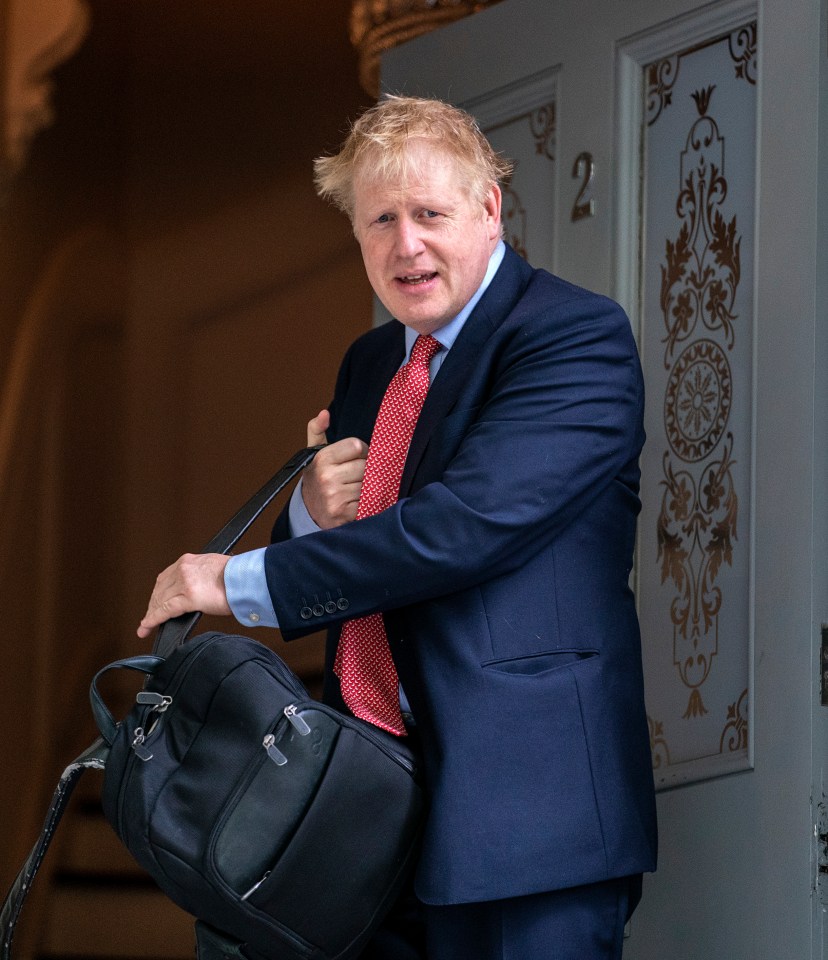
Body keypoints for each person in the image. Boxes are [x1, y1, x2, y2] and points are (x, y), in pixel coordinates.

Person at [138, 95, 657, 960]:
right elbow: (351, 557)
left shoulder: (575, 338)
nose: (405, 244)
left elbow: (463, 529)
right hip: (367, 809)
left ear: (490, 210)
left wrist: (230, 580)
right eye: (381, 219)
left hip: (527, 819)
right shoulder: (373, 361)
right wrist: (310, 508)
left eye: (429, 214)